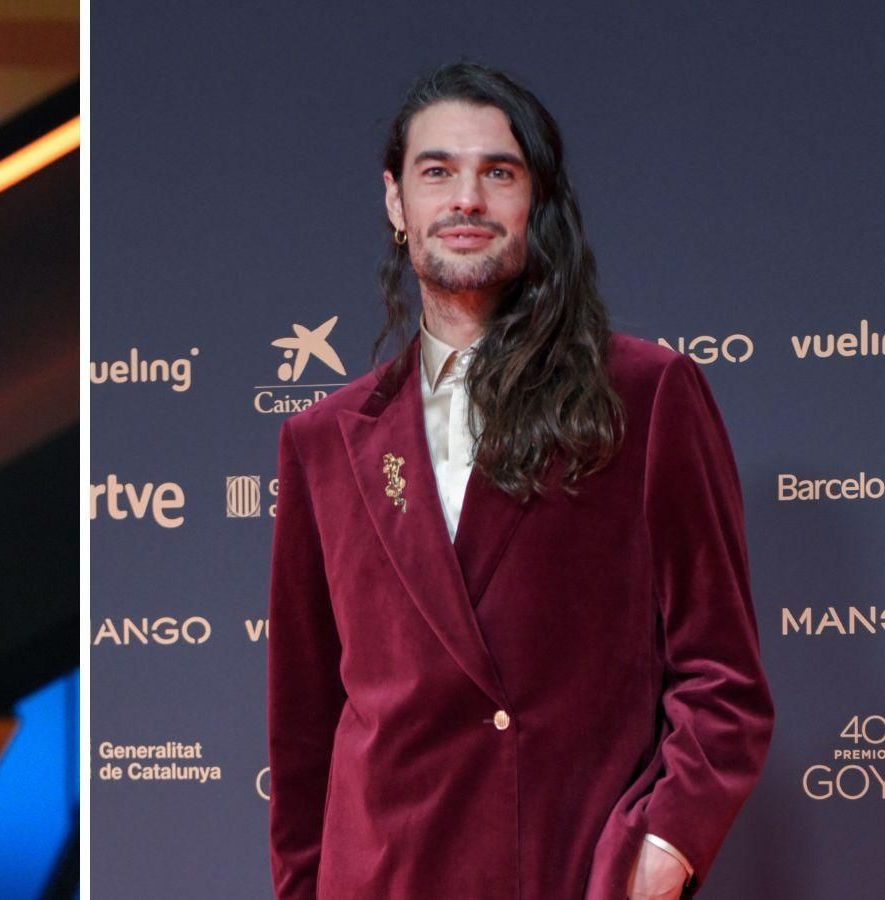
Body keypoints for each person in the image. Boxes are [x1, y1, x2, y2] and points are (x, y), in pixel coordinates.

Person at [267, 62, 773, 900]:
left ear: (535, 202)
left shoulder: (645, 395)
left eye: (497, 173)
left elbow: (723, 680)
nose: (466, 199)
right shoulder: (323, 440)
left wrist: (663, 849)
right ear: (396, 203)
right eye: (438, 172)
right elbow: (302, 729)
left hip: (570, 872)